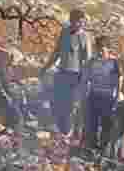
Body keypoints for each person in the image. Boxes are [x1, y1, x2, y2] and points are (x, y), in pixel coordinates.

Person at [40, 8, 93, 137]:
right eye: (77, 21)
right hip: (62, 72)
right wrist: (46, 67)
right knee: (57, 101)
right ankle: (59, 128)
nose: (79, 24)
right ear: (71, 20)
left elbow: (87, 60)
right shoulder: (64, 33)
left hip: (75, 76)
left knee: (70, 104)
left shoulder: (85, 37)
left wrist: (85, 78)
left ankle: (67, 131)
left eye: (82, 22)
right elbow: (57, 52)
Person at [82, 36, 123, 152]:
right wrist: (84, 94)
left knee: (106, 124)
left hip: (108, 96)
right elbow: (86, 79)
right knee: (92, 123)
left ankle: (104, 149)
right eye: (98, 49)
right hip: (94, 95)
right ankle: (91, 147)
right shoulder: (92, 61)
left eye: (102, 49)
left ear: (108, 49)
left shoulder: (114, 62)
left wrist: (116, 97)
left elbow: (119, 80)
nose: (100, 52)